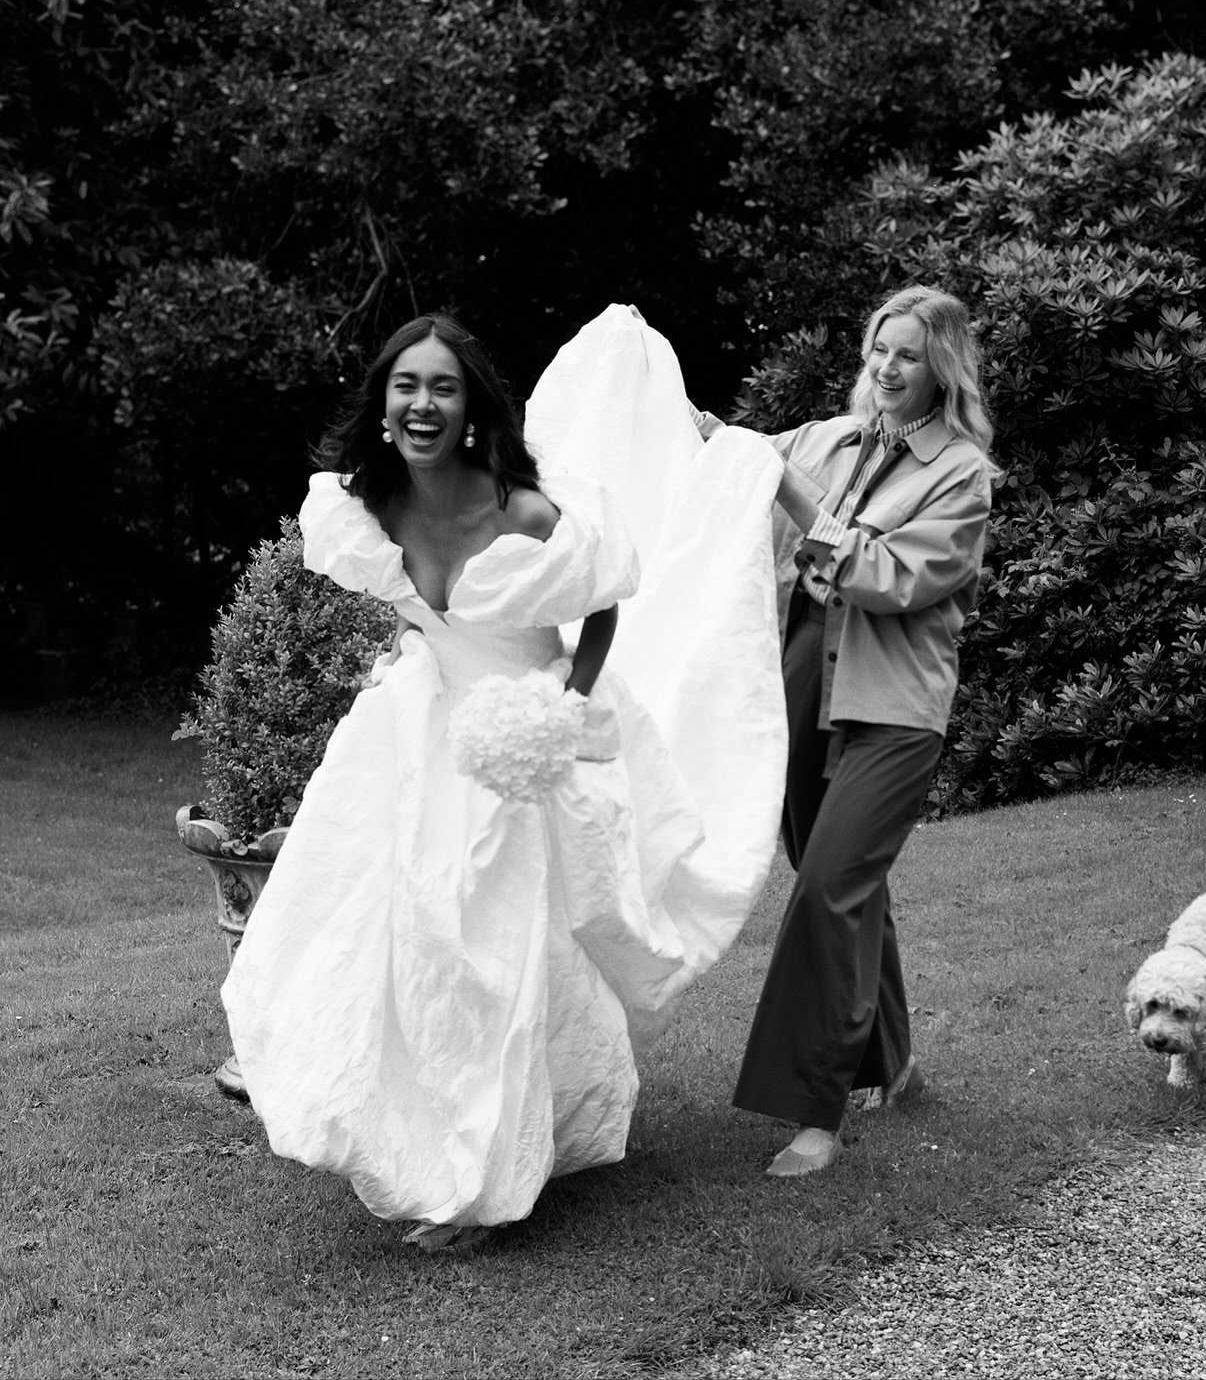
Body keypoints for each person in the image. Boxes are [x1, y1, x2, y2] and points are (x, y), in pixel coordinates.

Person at [222, 308, 787, 1247]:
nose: (423, 403)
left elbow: (600, 608)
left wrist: (563, 700)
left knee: (494, 948)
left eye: (443, 386)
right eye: (407, 386)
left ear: (474, 406)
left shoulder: (522, 506)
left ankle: (483, 1184)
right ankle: (420, 1126)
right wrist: (409, 643)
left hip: (519, 752)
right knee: (398, 937)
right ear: (385, 403)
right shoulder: (363, 505)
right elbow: (409, 603)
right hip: (417, 740)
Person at [688, 284, 998, 1177]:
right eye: (878, 351)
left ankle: (815, 1110)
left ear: (941, 368)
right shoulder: (827, 438)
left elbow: (888, 575)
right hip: (798, 684)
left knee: (829, 888)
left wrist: (779, 480)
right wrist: (686, 422)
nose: (887, 368)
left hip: (893, 707)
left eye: (907, 355)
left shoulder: (962, 476)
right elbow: (724, 463)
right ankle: (891, 1062)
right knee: (851, 885)